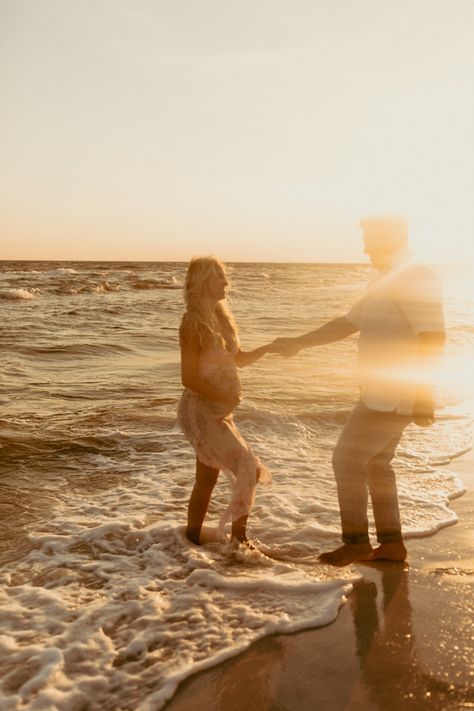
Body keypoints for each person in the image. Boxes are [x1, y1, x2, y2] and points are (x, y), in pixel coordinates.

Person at [272, 217, 445, 565]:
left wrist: (425, 392)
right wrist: (299, 343)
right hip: (379, 391)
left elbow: (433, 336)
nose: (364, 248)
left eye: (370, 240)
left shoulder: (414, 277)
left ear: (389, 239)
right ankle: (391, 545)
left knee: (346, 460)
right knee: (378, 464)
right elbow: (350, 323)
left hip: (397, 392)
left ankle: (356, 543)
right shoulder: (384, 278)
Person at [178, 256, 272, 546]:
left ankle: (191, 542)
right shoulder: (192, 323)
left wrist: (269, 349)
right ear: (202, 282)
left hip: (220, 412)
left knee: (206, 480)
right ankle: (239, 541)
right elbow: (189, 378)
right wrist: (225, 397)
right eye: (218, 276)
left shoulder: (222, 318)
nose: (226, 281)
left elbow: (238, 360)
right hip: (200, 411)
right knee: (248, 467)